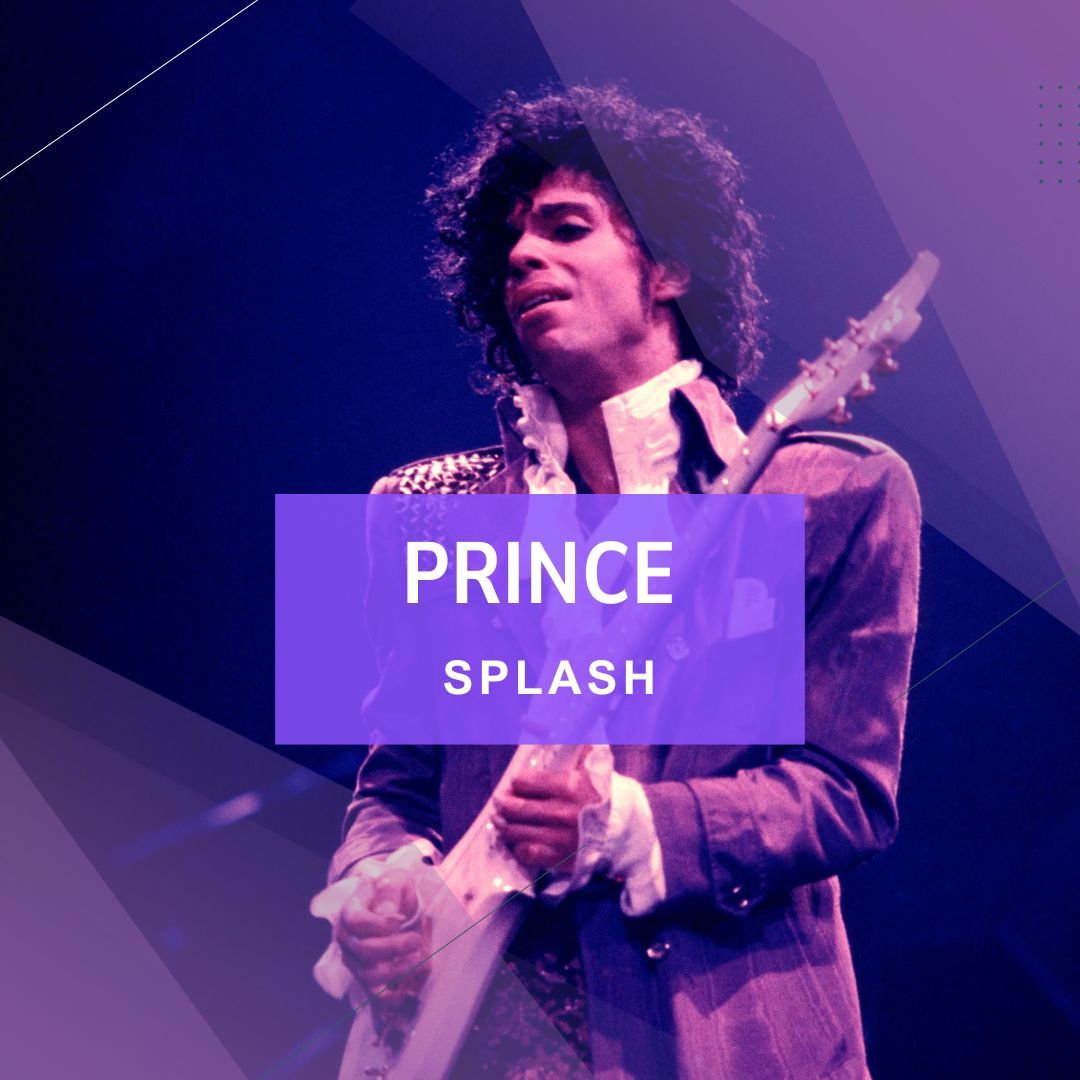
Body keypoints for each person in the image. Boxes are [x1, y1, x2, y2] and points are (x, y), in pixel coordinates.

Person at [323, 84, 920, 1079]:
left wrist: (628, 827)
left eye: (566, 228)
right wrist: (377, 887)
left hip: (726, 1039)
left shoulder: (833, 492)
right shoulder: (428, 508)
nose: (523, 256)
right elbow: (397, 784)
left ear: (669, 267)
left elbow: (847, 792)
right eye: (510, 243)